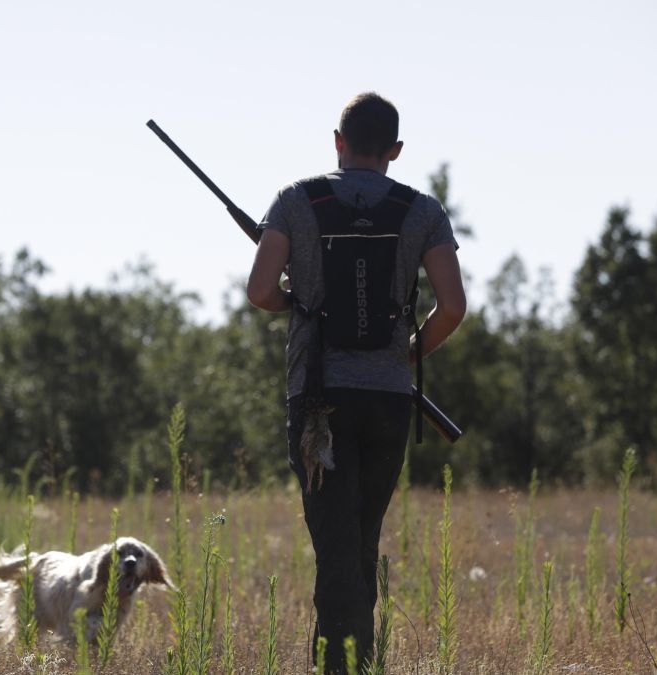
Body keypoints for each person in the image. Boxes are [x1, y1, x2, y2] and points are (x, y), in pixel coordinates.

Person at [246, 92, 466, 673]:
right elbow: (452, 307)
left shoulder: (297, 200)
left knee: (336, 545)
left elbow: (260, 291)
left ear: (337, 141)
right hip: (390, 399)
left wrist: (299, 300)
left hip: (319, 400)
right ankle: (355, 662)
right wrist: (410, 353)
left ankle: (340, 666)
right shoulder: (423, 211)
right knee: (359, 541)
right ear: (394, 149)